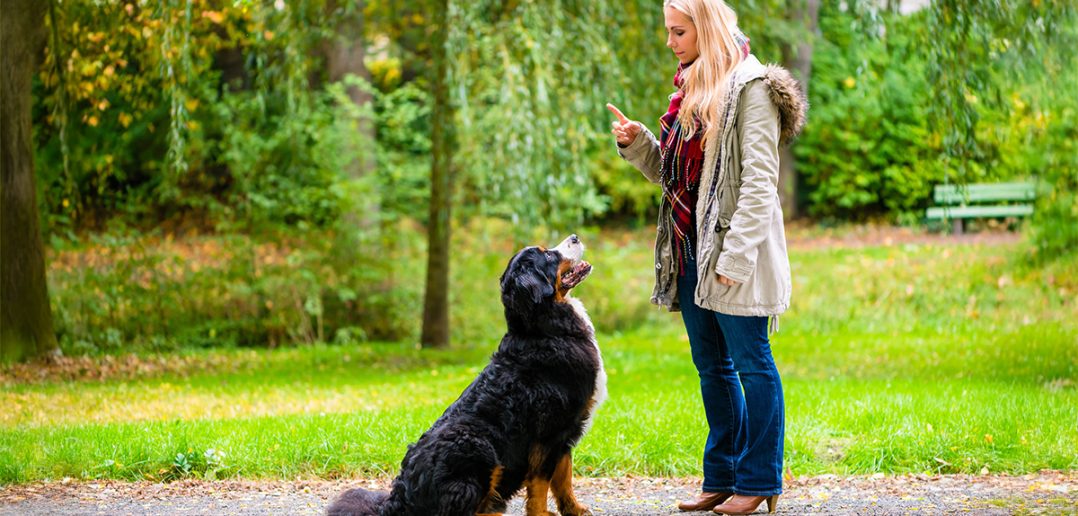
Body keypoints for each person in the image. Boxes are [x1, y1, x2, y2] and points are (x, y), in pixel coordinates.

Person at [606, 0, 806, 514]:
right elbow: (678, 178)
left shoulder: (752, 88)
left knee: (752, 362)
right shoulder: (690, 89)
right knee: (711, 367)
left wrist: (736, 258)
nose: (670, 42)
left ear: (706, 27)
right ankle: (723, 476)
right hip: (689, 246)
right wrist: (640, 144)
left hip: (734, 251)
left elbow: (761, 184)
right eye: (668, 32)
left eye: (678, 32)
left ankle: (760, 480)